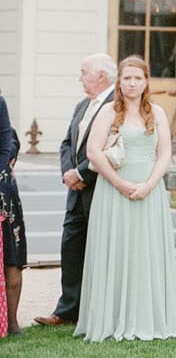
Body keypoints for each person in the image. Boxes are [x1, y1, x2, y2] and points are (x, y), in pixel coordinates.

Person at [75, 55, 176, 342]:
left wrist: (149, 185)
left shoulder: (157, 112)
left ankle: (148, 316)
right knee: (117, 249)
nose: (132, 83)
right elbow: (93, 152)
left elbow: (165, 154)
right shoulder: (109, 111)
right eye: (127, 78)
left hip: (149, 191)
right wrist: (121, 184)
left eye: (138, 78)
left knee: (144, 252)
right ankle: (110, 318)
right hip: (114, 192)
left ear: (146, 81)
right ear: (119, 81)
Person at [35, 54, 116, 328]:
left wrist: (82, 172)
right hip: (75, 193)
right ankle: (68, 310)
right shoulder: (83, 104)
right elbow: (67, 143)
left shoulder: (116, 104)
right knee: (71, 249)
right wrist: (68, 173)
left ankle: (99, 311)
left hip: (99, 189)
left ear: (101, 75)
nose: (79, 78)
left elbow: (110, 148)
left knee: (101, 252)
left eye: (84, 72)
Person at [0, 90, 25, 338]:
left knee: (11, 257)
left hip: (2, 192)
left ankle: (13, 322)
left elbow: (9, 144)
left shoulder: (0, 103)